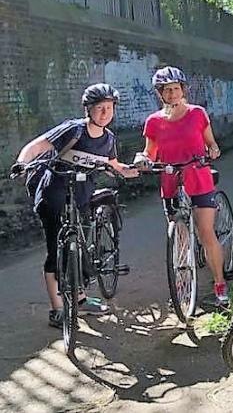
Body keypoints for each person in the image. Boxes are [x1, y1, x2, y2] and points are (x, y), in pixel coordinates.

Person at [10, 83, 138, 328]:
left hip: (81, 195)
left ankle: (79, 299)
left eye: (109, 108)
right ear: (88, 109)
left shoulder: (109, 139)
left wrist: (132, 170)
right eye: (99, 108)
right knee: (56, 250)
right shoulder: (73, 130)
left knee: (79, 246)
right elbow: (37, 146)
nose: (105, 113)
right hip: (54, 193)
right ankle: (57, 310)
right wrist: (21, 163)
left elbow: (113, 165)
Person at [134, 66, 228, 305]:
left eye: (176, 89)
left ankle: (219, 284)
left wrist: (213, 152)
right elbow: (150, 152)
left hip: (198, 177)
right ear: (160, 94)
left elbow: (211, 143)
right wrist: (143, 160)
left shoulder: (197, 114)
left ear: (183, 90)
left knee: (206, 232)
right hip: (171, 180)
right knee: (180, 237)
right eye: (167, 90)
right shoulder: (153, 122)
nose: (173, 94)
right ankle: (183, 285)